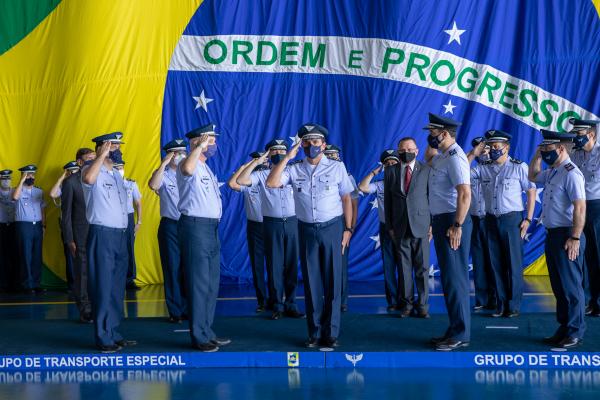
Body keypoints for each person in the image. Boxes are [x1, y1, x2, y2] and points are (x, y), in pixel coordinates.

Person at [266, 123, 354, 348]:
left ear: (323, 145)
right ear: (301, 145)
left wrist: (348, 229)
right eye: (307, 142)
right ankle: (314, 333)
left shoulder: (336, 167)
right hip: (306, 229)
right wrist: (287, 157)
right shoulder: (294, 168)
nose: (311, 145)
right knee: (312, 282)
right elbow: (272, 182)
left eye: (316, 142)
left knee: (332, 282)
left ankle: (331, 333)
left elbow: (346, 198)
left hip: (333, 227)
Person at [468, 130, 536, 318]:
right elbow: (461, 172)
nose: (493, 150)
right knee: (495, 263)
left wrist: (528, 219)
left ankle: (513, 305)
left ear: (507, 147)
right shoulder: (484, 168)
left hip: (512, 219)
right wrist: (474, 153)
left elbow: (531, 191)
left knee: (513, 263)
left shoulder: (519, 167)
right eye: (491, 146)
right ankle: (501, 303)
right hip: (491, 219)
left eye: (497, 146)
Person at [528, 129, 586, 348]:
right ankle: (564, 327)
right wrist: (537, 154)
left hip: (568, 235)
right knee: (559, 287)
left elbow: (580, 207)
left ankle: (575, 331)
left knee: (571, 286)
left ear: (561, 148)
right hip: (553, 235)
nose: (544, 153)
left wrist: (575, 237)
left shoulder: (571, 173)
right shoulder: (554, 171)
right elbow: (532, 176)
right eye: (543, 148)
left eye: (548, 149)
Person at [177, 123, 231, 352]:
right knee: (199, 284)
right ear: (198, 141)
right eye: (211, 140)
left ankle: (207, 331)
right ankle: (199, 336)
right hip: (195, 227)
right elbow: (187, 169)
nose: (214, 144)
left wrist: (202, 147)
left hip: (210, 229)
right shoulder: (187, 164)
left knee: (210, 284)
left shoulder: (206, 168)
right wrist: (198, 147)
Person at [237, 139, 304, 320]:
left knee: (291, 264)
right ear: (268, 155)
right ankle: (277, 305)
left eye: (282, 150)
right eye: (274, 151)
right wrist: (257, 162)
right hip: (271, 223)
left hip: (292, 222)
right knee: (274, 265)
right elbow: (240, 180)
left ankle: (291, 303)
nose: (279, 153)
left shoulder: (293, 172)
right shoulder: (262, 174)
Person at [82, 132, 135, 353]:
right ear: (102, 147)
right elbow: (88, 180)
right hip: (102, 234)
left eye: (118, 145)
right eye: (113, 145)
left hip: (120, 235)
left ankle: (113, 331)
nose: (117, 149)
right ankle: (103, 336)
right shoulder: (90, 170)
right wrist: (100, 156)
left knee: (115, 288)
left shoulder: (116, 175)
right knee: (103, 286)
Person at [423, 113, 472, 351]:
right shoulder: (443, 155)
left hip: (453, 222)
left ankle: (461, 333)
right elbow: (428, 157)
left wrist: (458, 225)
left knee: (456, 279)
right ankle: (454, 328)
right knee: (450, 279)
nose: (429, 137)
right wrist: (433, 143)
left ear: (444, 134)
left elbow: (465, 193)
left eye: (432, 133)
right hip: (443, 221)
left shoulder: (455, 157)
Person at [384, 138, 431, 318]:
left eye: (410, 149)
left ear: (417, 151)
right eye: (403, 149)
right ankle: (407, 305)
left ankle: (423, 305)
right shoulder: (390, 171)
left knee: (422, 268)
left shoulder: (426, 170)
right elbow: (388, 201)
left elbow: (431, 198)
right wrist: (390, 227)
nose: (406, 152)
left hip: (421, 226)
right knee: (404, 270)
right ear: (398, 151)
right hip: (399, 227)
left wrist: (432, 225)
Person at [148, 139, 187, 323]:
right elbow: (153, 186)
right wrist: (164, 163)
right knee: (172, 267)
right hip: (170, 225)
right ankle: (175, 311)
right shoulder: (163, 174)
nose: (180, 156)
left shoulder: (189, 172)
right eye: (176, 152)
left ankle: (189, 308)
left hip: (189, 225)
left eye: (183, 152)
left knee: (189, 269)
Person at [228, 151, 270, 314]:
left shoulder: (274, 177)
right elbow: (232, 184)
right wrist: (246, 166)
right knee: (257, 265)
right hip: (255, 227)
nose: (261, 164)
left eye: (263, 160)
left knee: (276, 264)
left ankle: (278, 300)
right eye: (257, 161)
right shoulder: (248, 181)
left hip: (272, 225)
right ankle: (262, 301)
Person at [358, 150, 400, 312]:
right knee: (389, 265)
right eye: (387, 164)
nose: (391, 166)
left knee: (404, 265)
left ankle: (406, 300)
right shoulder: (381, 184)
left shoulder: (406, 181)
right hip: (386, 227)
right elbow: (363, 187)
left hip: (403, 227)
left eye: (394, 163)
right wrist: (374, 172)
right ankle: (393, 300)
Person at [569, 118, 600, 317]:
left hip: (598, 207)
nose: (576, 137)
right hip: (580, 208)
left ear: (591, 134)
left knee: (598, 255)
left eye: (579, 134)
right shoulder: (575, 154)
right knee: (587, 257)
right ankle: (592, 301)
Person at [61, 148, 96, 323]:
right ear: (79, 162)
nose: (92, 161)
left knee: (97, 271)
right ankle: (85, 309)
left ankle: (98, 306)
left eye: (94, 158)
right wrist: (69, 240)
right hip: (80, 235)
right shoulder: (70, 183)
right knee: (82, 273)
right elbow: (65, 214)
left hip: (99, 232)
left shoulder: (99, 177)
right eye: (88, 159)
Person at [323, 144, 359, 312]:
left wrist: (350, 227)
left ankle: (342, 300)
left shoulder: (346, 175)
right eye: (328, 154)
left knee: (340, 263)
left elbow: (353, 203)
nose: (331, 157)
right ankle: (327, 297)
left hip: (342, 223)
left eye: (334, 154)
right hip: (323, 223)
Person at [466, 138, 496, 312]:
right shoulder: (470, 167)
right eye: (480, 149)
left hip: (491, 218)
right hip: (475, 219)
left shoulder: (497, 167)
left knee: (494, 260)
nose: (484, 152)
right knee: (479, 261)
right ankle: (482, 298)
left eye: (487, 148)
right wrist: (473, 154)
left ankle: (496, 297)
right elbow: (461, 170)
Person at [12, 164, 46, 294]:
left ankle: (36, 283)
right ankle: (26, 284)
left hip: (37, 225)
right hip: (23, 226)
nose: (31, 177)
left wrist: (44, 225)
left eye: (32, 174)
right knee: (25, 255)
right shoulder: (17, 190)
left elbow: (43, 209)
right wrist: (22, 180)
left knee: (37, 255)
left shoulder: (39, 191)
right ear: (23, 175)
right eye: (28, 174)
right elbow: (14, 197)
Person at [50, 161, 80, 292]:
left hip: (81, 224)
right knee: (70, 255)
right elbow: (52, 194)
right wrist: (63, 177)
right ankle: (73, 284)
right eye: (70, 171)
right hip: (68, 224)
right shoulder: (64, 186)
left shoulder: (83, 183)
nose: (73, 173)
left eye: (75, 170)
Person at [113, 161, 142, 291]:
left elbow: (138, 203)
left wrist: (139, 222)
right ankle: (115, 279)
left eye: (121, 167)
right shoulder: (109, 183)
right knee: (114, 248)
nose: (119, 170)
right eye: (116, 168)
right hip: (113, 217)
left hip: (129, 217)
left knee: (129, 247)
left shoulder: (131, 183)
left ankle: (129, 280)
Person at [0, 169, 17, 292]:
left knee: (14, 255)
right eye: (3, 178)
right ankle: (2, 283)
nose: (6, 181)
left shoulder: (16, 191)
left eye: (8, 178)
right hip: (1, 226)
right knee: (1, 255)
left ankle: (14, 283)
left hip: (13, 226)